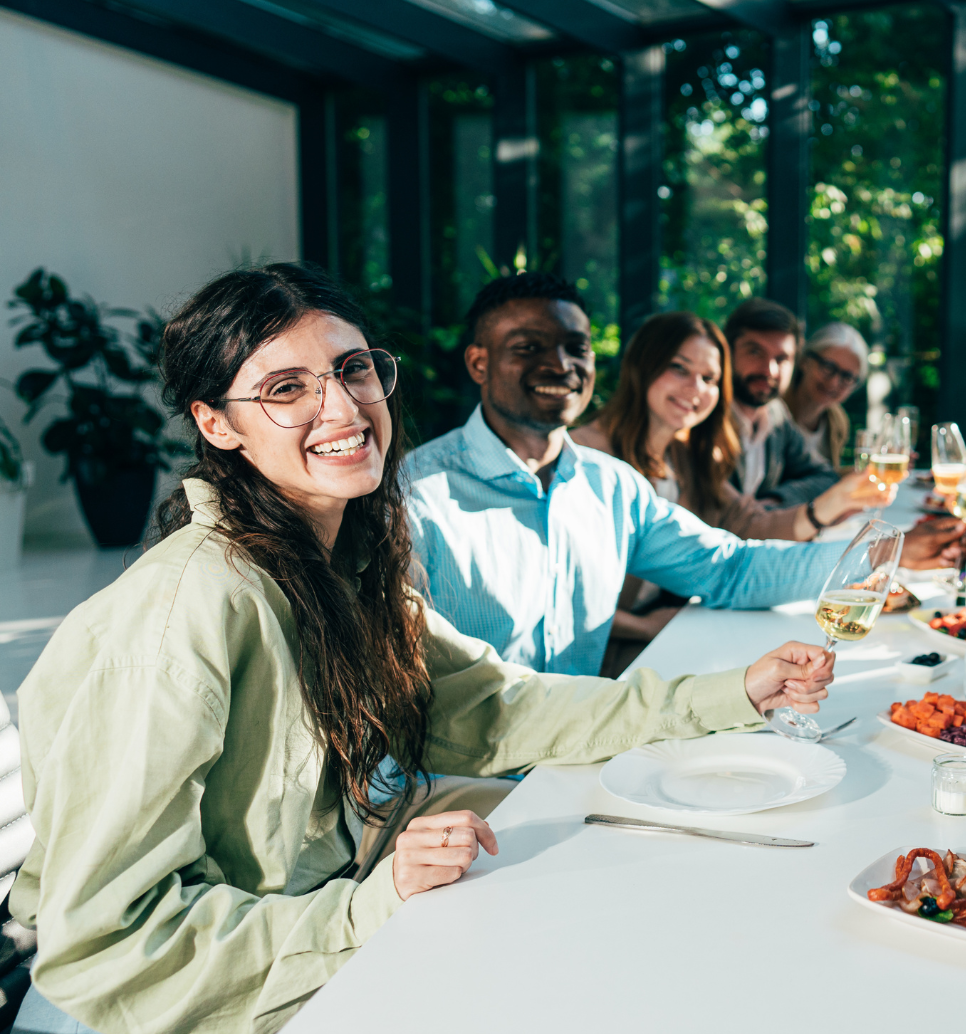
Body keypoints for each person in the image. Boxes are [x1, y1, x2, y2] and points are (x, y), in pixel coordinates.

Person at [8, 263, 835, 1033]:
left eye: (353, 369)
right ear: (215, 424)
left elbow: (500, 706)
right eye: (287, 388)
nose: (341, 408)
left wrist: (739, 693)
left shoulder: (348, 566)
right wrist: (377, 904)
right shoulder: (187, 610)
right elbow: (106, 947)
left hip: (307, 946)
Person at [404, 275, 952, 680]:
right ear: (478, 363)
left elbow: (730, 568)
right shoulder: (415, 497)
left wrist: (877, 559)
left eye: (577, 348)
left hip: (587, 741)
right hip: (473, 787)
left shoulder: (612, 486)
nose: (561, 365)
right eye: (529, 348)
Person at [574, 313, 891, 541]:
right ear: (642, 367)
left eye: (708, 378)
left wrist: (831, 504)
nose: (695, 388)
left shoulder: (683, 453)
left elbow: (747, 524)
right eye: (679, 368)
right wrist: (649, 626)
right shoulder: (584, 457)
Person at [725, 298, 839, 507]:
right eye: (755, 352)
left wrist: (774, 502)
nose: (770, 370)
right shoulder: (705, 416)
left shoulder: (776, 414)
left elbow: (824, 478)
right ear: (728, 353)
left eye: (782, 359)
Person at [785, 321, 867, 471]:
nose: (834, 382)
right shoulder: (775, 413)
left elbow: (818, 477)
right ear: (804, 361)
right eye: (828, 367)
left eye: (847, 377)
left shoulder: (838, 421)